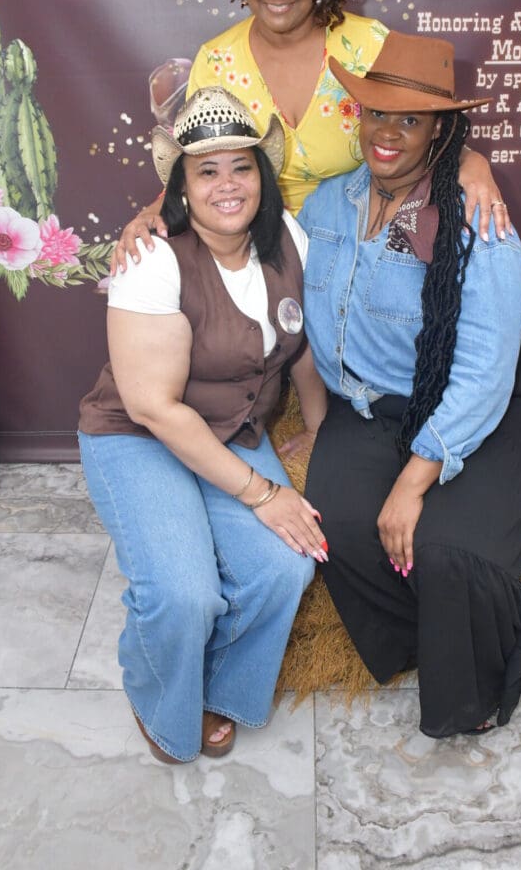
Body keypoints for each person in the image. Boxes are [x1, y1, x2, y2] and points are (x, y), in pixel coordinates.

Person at [296, 31, 521, 737]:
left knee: (446, 556)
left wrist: (414, 480)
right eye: (376, 113)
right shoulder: (325, 207)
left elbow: (484, 370)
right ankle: (422, 638)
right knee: (336, 528)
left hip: (471, 412)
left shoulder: (471, 217)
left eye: (409, 119)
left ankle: (480, 666)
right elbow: (228, 222)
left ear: (441, 129)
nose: (387, 132)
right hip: (369, 409)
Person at [79, 86, 328, 763]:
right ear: (181, 187)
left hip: (232, 430)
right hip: (139, 439)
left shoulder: (290, 242)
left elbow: (299, 346)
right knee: (185, 593)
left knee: (284, 566)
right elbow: (154, 407)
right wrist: (265, 494)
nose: (227, 184)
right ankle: (159, 693)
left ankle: (222, 683)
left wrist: (320, 431)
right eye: (206, 169)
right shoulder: (154, 260)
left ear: (262, 174)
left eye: (241, 166)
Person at [111, 0, 510, 270]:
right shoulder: (216, 61)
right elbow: (200, 165)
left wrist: (473, 163)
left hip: (361, 255)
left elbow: (420, 133)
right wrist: (153, 211)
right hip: (254, 257)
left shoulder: (369, 45)